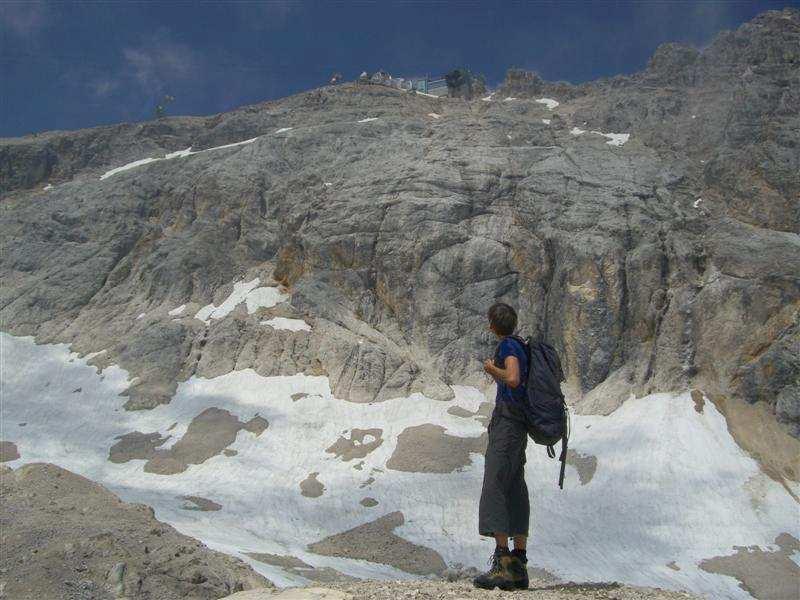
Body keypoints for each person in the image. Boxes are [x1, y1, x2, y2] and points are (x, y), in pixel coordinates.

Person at [473, 302, 530, 590]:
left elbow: (513, 377)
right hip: (519, 423)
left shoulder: (508, 347)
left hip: (507, 421)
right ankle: (519, 565)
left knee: (495, 484)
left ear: (493, 325)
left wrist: (491, 368)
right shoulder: (520, 344)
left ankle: (503, 562)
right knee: (515, 484)